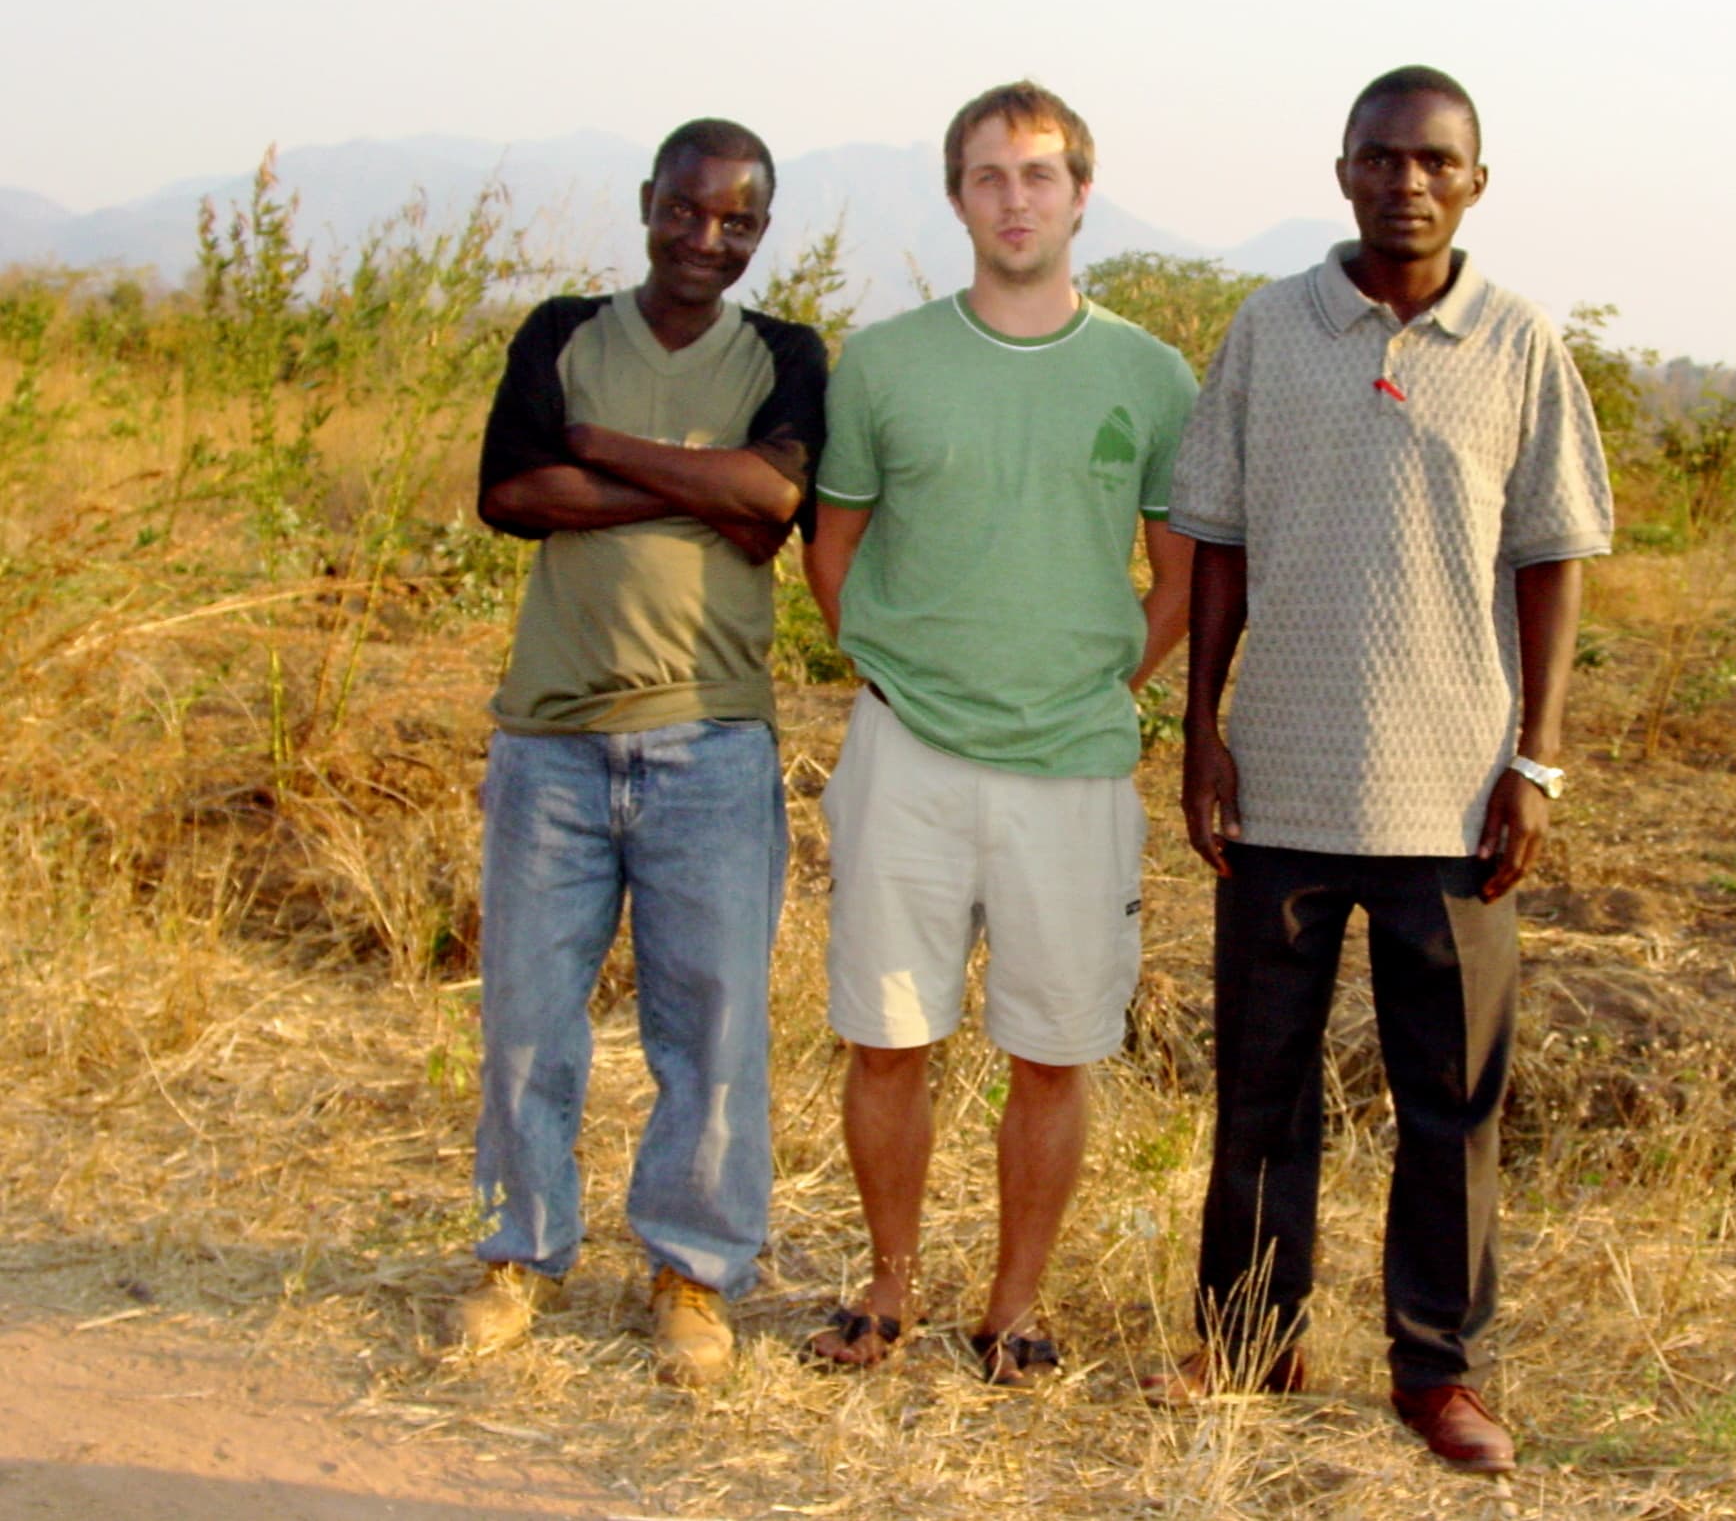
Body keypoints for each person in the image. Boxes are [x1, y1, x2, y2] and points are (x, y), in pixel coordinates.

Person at [1147, 66, 1613, 1473]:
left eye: (1433, 160)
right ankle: (1249, 1338)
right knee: (1261, 1088)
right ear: (1341, 170)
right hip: (1282, 777)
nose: (1406, 182)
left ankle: (1436, 1370)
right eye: (1380, 157)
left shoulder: (1517, 342)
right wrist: (1202, 730)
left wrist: (1534, 762)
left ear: (1475, 181)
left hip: (1453, 795)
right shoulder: (1267, 328)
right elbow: (1215, 541)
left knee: (1449, 1103)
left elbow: (1552, 558)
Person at [802, 81, 1197, 1386]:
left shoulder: (1150, 377)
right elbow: (832, 549)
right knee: (887, 1035)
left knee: (1052, 1047)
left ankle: (1013, 1307)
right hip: (905, 755)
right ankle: (887, 1286)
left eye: (1037, 175)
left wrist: (1095, 687)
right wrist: (900, 676)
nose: (1013, 199)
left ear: (1081, 194)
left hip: (1072, 769)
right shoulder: (885, 363)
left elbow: (1182, 577)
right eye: (987, 176)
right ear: (955, 196)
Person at [450, 117, 827, 1388]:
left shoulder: (783, 353)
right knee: (525, 1020)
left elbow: (774, 500)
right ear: (647, 203)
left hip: (710, 743)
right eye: (684, 209)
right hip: (550, 742)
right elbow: (512, 494)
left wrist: (598, 447)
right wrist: (702, 482)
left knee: (711, 1031)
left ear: (759, 232)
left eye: (735, 220)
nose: (704, 237)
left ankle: (691, 1274)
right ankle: (516, 1254)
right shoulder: (562, 332)